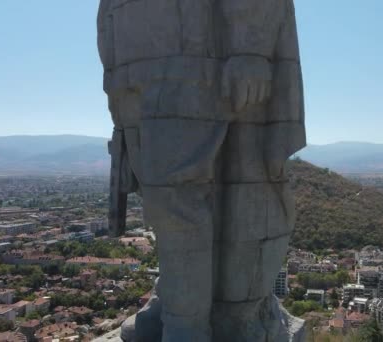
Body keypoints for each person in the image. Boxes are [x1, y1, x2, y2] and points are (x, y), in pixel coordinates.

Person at [97, 1, 305, 341]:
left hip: (192, 51)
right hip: (134, 58)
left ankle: (194, 323)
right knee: (161, 197)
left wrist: (249, 42)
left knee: (182, 199)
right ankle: (181, 305)